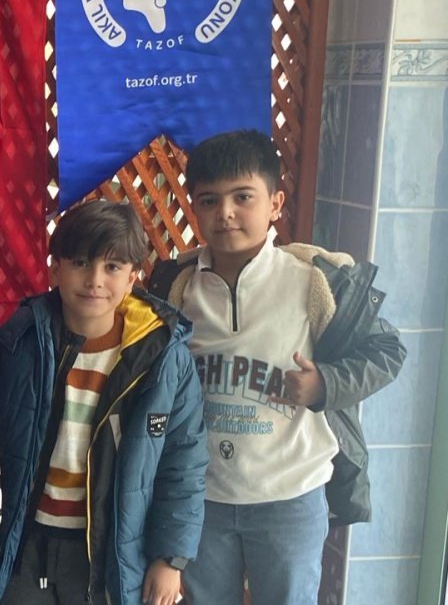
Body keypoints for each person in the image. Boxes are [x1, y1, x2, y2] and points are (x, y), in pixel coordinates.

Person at [147, 129, 406, 605]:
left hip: (291, 495)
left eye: (242, 197)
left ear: (275, 203)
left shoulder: (315, 281)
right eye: (209, 200)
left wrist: (324, 384)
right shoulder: (176, 287)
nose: (225, 213)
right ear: (194, 207)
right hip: (203, 499)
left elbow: (387, 351)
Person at [0, 200, 207, 605]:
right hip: (22, 542)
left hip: (106, 552)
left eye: (112, 266)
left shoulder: (162, 357)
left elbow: (184, 461)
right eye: (81, 263)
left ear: (133, 277)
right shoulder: (21, 339)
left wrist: (169, 559)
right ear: (55, 268)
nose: (95, 280)